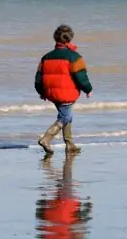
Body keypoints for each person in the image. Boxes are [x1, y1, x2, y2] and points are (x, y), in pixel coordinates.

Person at [34, 24, 93, 155]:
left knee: (66, 115)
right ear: (70, 38)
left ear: (55, 38)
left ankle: (70, 144)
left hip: (51, 93)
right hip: (66, 93)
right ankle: (46, 138)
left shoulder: (46, 57)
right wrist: (88, 89)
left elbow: (38, 78)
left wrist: (41, 92)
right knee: (65, 116)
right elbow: (81, 76)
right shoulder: (74, 57)